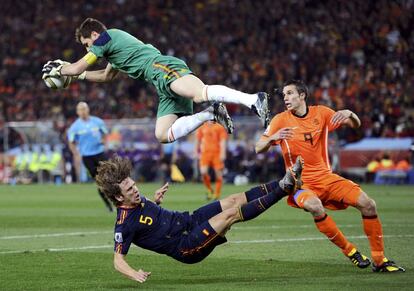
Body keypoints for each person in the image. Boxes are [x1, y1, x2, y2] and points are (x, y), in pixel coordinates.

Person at [255, 80, 405, 272]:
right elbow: (258, 147)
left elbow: (355, 125)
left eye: (290, 93)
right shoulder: (280, 120)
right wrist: (272, 138)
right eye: (284, 94)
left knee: (368, 205)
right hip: (300, 184)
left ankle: (379, 260)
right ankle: (350, 251)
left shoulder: (322, 113)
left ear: (302, 96)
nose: (286, 98)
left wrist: (349, 113)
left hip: (327, 178)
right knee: (314, 205)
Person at [42, 18, 270, 143]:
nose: (87, 48)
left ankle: (253, 99)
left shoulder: (106, 36)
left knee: (199, 93)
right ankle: (211, 113)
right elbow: (105, 76)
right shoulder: (113, 50)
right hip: (160, 84)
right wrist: (77, 75)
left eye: (86, 44)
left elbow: (80, 65)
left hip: (161, 68)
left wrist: (61, 69)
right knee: (162, 135)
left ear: (94, 35)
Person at [95, 155, 303, 283]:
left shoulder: (138, 200)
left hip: (188, 221)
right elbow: (118, 260)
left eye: (134, 184)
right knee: (229, 215)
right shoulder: (123, 224)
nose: (136, 189)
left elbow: (149, 222)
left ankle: (284, 179)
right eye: (130, 189)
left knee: (233, 199)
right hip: (186, 246)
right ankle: (284, 189)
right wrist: (134, 274)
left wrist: (156, 201)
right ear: (119, 197)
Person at [68, 102, 113, 212]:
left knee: (110, 177)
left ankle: (117, 200)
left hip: (100, 153)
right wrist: (76, 153)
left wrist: (105, 143)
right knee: (99, 181)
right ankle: (108, 203)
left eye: (84, 108)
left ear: (88, 110)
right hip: (87, 157)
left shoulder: (97, 122)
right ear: (77, 112)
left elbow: (105, 134)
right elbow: (71, 142)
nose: (83, 111)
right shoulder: (74, 127)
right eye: (80, 109)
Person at [195, 121, 228, 200]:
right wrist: (196, 151)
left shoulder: (219, 127)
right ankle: (210, 190)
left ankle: (217, 194)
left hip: (217, 153)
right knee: (203, 172)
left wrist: (223, 153)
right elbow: (198, 140)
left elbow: (222, 141)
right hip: (205, 153)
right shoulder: (202, 126)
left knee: (218, 174)